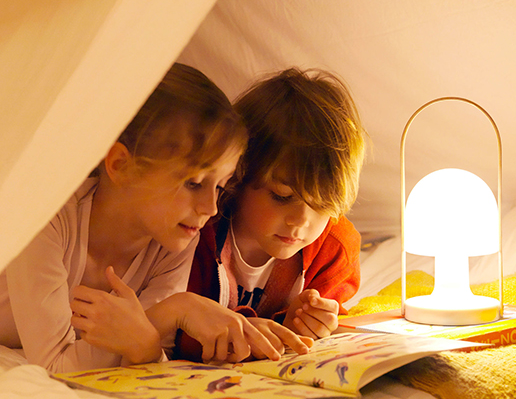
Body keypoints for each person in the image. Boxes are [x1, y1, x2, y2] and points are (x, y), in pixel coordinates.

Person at [0, 63, 293, 372]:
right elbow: (55, 365)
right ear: (120, 165)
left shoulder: (174, 240)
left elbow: (146, 351)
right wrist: (174, 311)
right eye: (193, 183)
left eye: (220, 186)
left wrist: (149, 341)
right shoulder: (47, 218)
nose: (211, 208)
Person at [176, 67, 366, 361]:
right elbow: (172, 330)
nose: (301, 220)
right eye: (281, 196)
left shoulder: (334, 247)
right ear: (239, 175)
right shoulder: (198, 230)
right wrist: (242, 332)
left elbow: (326, 328)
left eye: (322, 204)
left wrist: (308, 324)